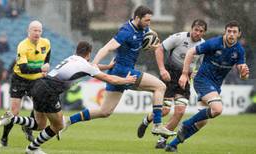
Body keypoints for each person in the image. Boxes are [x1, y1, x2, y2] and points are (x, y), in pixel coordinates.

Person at [0, 41, 137, 154]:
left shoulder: (72, 58)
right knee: (58, 125)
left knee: (40, 125)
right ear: (89, 53)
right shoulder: (86, 65)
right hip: (49, 91)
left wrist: (107, 65)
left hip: (38, 85)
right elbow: (109, 79)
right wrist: (126, 80)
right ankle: (32, 149)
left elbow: (92, 66)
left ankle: (12, 119)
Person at [59, 5, 176, 138]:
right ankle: (157, 125)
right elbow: (107, 48)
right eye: (147, 20)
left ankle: (68, 120)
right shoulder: (126, 31)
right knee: (160, 86)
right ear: (137, 18)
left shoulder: (144, 29)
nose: (149, 23)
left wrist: (152, 46)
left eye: (150, 20)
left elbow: (148, 41)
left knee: (105, 111)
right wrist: (94, 64)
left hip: (119, 71)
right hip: (123, 71)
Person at [165, 20, 249, 152]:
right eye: (229, 31)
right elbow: (190, 52)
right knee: (217, 109)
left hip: (215, 85)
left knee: (202, 122)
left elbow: (242, 73)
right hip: (202, 80)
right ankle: (186, 123)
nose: (231, 34)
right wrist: (184, 74)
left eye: (234, 32)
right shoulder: (214, 43)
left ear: (239, 34)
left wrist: (244, 74)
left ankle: (172, 144)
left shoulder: (239, 50)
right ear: (225, 32)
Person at [137, 19, 207, 149]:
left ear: (204, 33)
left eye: (201, 31)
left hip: (184, 78)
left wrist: (194, 73)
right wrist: (162, 70)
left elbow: (201, 64)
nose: (197, 33)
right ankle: (146, 121)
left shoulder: (204, 45)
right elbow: (159, 49)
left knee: (180, 112)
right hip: (169, 75)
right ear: (191, 29)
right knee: (164, 110)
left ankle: (162, 140)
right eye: (196, 30)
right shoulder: (179, 37)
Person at [0, 20, 51, 147]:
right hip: (20, 80)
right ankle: (4, 138)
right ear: (28, 31)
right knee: (14, 112)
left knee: (39, 106)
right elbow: (23, 69)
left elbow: (47, 55)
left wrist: (45, 67)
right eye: (34, 30)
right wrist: (41, 69)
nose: (37, 33)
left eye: (39, 30)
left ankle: (27, 128)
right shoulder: (22, 46)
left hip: (36, 80)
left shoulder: (46, 43)